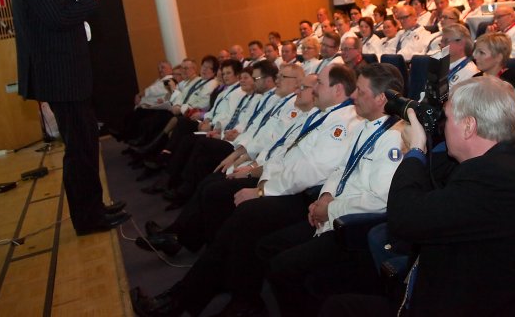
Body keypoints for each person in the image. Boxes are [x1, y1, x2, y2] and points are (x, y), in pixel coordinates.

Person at [132, 65, 360, 317]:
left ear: (338, 90)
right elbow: (284, 153)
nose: (314, 88)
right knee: (231, 208)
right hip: (283, 184)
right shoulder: (322, 114)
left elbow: (310, 171)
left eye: (319, 84)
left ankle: (197, 295)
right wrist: (257, 175)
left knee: (243, 213)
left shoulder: (342, 122)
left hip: (304, 197)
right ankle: (217, 290)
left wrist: (262, 190)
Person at [328, 77, 515, 316]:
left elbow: (404, 218)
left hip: (473, 304)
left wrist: (416, 149)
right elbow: (433, 171)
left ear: (469, 126)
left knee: (338, 308)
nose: (443, 126)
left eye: (447, 119)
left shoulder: (498, 179)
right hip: (457, 289)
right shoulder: (508, 157)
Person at [11, 0, 129, 235]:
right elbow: (58, 19)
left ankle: (94, 208)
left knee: (86, 145)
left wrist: (80, 3)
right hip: (62, 79)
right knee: (79, 150)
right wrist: (90, 1)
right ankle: (89, 219)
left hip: (68, 77)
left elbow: (56, 18)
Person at [260, 64, 408, 317]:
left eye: (361, 91)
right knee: (270, 247)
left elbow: (379, 200)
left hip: (351, 228)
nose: (354, 95)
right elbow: (341, 168)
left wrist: (330, 209)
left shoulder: (394, 138)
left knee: (284, 267)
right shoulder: (366, 125)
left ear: (381, 98)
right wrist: (326, 196)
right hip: (331, 213)